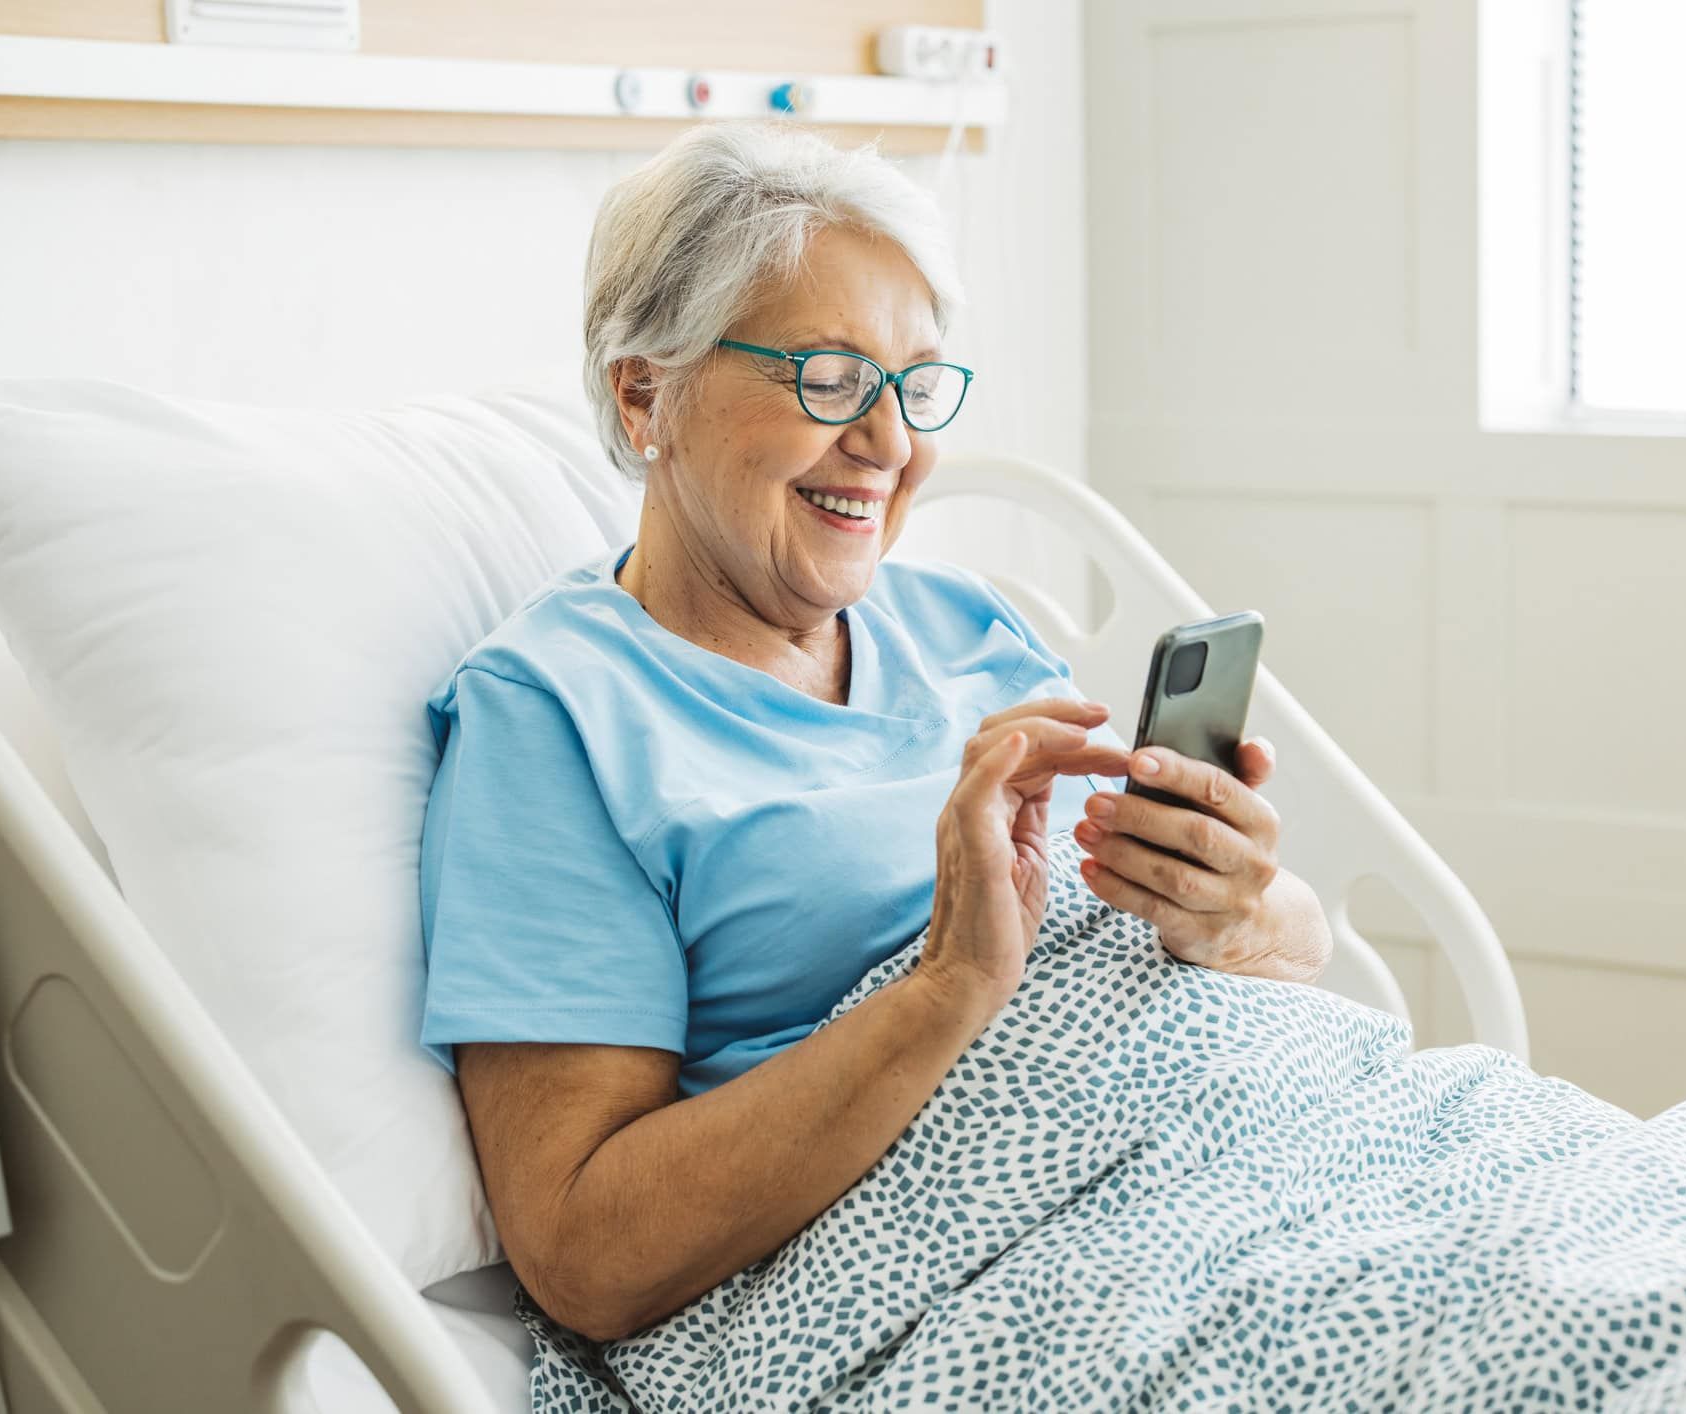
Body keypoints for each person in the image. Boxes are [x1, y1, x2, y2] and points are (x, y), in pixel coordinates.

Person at [416, 122, 1333, 1345]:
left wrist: (1232, 909)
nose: (892, 445)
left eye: (911, 384)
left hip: (1278, 1157)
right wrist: (946, 986)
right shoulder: (556, 715)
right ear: (648, 392)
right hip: (1009, 1287)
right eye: (830, 380)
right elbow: (586, 1254)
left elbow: (1294, 948)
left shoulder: (964, 621)